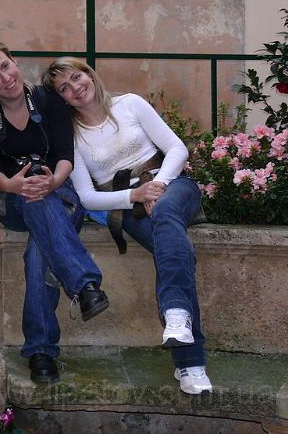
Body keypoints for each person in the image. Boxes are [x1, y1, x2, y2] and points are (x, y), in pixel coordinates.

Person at [42, 57, 212, 395]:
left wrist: (157, 187)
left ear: (89, 75)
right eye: (64, 88)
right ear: (62, 99)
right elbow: (86, 196)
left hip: (173, 184)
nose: (75, 87)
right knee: (173, 249)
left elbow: (177, 148)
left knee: (165, 213)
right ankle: (187, 356)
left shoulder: (130, 104)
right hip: (129, 206)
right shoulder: (71, 136)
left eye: (77, 77)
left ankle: (179, 326)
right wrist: (134, 195)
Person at [0, 39, 109, 385]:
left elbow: (65, 156)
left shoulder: (48, 100)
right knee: (35, 198)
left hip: (59, 192)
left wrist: (53, 180)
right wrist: (15, 185)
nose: (5, 78)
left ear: (14, 60)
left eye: (5, 66)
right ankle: (84, 284)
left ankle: (41, 352)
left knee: (38, 252)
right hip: (11, 199)